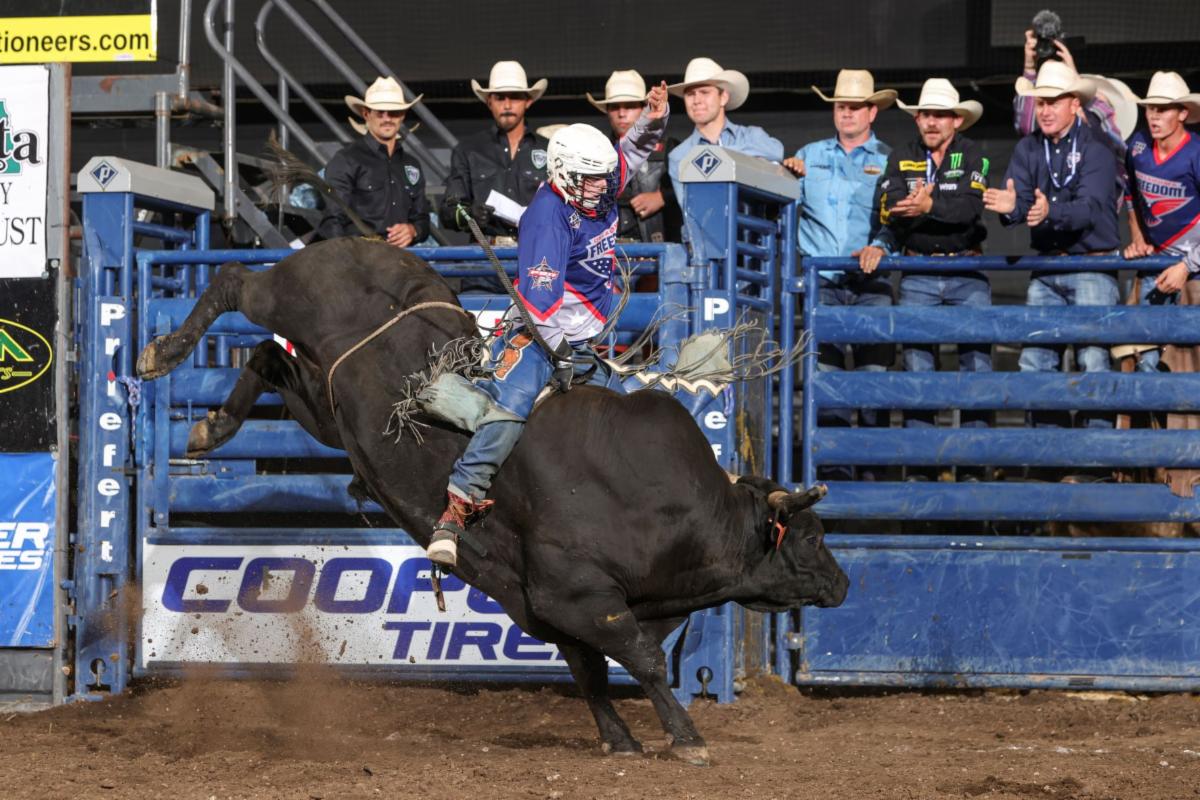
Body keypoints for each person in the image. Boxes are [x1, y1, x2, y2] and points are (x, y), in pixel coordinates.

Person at [426, 83, 670, 568]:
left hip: (586, 333)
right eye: (593, 180)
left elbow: (631, 154)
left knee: (621, 415)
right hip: (545, 334)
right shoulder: (548, 218)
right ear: (564, 175)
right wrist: (563, 357)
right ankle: (455, 508)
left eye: (604, 179)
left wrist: (653, 119)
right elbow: (542, 306)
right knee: (511, 409)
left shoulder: (591, 188)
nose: (606, 189)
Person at [858, 79, 990, 480]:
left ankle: (973, 476)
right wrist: (929, 210)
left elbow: (969, 209)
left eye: (940, 115)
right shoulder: (902, 155)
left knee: (977, 374)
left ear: (956, 119)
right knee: (917, 375)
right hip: (917, 271)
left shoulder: (974, 155)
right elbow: (894, 206)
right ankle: (921, 477)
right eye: (926, 115)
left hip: (965, 270)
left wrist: (929, 205)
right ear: (918, 118)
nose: (932, 122)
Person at [984, 61, 1121, 432]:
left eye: (1053, 102)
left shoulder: (1099, 147)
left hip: (1093, 266)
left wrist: (1046, 211)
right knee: (1035, 363)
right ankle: (1049, 457)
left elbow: (1090, 209)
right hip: (1047, 268)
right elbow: (1019, 201)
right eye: (1040, 102)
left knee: (1093, 361)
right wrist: (1013, 210)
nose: (1044, 110)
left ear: (1075, 104)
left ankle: (1096, 463)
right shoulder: (1029, 148)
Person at [782, 69, 896, 481]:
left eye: (854, 106)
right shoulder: (807, 156)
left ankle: (874, 481)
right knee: (826, 388)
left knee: (873, 386)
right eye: (840, 106)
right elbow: (784, 209)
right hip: (823, 283)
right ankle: (833, 480)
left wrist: (880, 245)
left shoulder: (889, 160)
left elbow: (895, 221)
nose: (845, 113)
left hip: (871, 282)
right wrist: (786, 176)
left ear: (871, 112)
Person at [1122, 71, 1200, 372]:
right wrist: (1137, 236)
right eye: (1150, 108)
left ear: (1182, 113)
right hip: (1156, 263)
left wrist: (1187, 265)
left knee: (1191, 363)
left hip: (1194, 269)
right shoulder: (1138, 146)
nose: (1153, 116)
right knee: (1143, 356)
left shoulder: (1196, 153)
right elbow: (1131, 193)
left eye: (1163, 109)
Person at [440, 61, 550, 245]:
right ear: (489, 102)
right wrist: (470, 215)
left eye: (514, 97)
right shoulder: (468, 150)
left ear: (528, 101)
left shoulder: (550, 149)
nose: (507, 105)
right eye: (500, 97)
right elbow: (448, 211)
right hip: (484, 260)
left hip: (536, 253)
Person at [318, 77, 429, 246]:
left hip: (401, 261)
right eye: (380, 112)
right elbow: (332, 221)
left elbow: (422, 219)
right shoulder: (346, 160)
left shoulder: (411, 164)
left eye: (394, 112)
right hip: (359, 261)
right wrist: (347, 262)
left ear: (402, 116)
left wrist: (413, 230)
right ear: (366, 114)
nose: (387, 118)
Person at [666, 58, 783, 210]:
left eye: (704, 92)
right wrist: (749, 159)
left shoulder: (752, 136)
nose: (696, 100)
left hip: (751, 231)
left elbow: (777, 152)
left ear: (723, 97)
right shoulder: (679, 156)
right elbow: (690, 211)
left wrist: (722, 156)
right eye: (690, 94)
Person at [589, 69, 681, 243]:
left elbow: (694, 193)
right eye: (614, 107)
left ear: (643, 108)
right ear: (607, 111)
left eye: (630, 106)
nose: (621, 113)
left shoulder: (670, 147)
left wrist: (662, 197)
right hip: (605, 254)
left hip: (659, 257)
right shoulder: (594, 152)